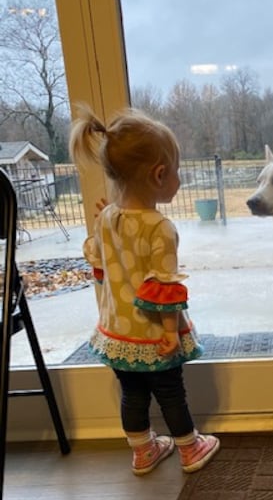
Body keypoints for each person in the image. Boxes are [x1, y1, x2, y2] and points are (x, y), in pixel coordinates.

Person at [69, 104, 220, 475]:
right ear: (160, 174)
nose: (179, 179)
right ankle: (188, 448)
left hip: (118, 331)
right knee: (170, 392)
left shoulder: (107, 217)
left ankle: (143, 451)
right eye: (178, 171)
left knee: (132, 394)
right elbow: (161, 284)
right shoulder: (160, 227)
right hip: (152, 334)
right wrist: (170, 330)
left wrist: (102, 224)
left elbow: (98, 262)